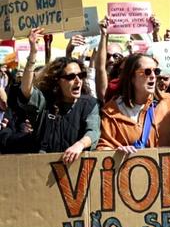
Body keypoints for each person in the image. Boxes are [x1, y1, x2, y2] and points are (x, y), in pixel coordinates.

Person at [4, 28, 100, 163]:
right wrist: (33, 53)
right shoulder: (44, 102)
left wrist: (79, 145)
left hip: (74, 171)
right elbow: (26, 89)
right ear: (57, 81)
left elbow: (93, 132)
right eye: (71, 77)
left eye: (81, 75)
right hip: (43, 171)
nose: (78, 80)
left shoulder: (89, 104)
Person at [97, 54, 170, 151]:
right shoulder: (111, 112)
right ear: (131, 77)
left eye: (156, 71)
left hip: (167, 165)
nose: (153, 76)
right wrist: (116, 152)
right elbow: (103, 148)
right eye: (147, 72)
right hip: (130, 165)